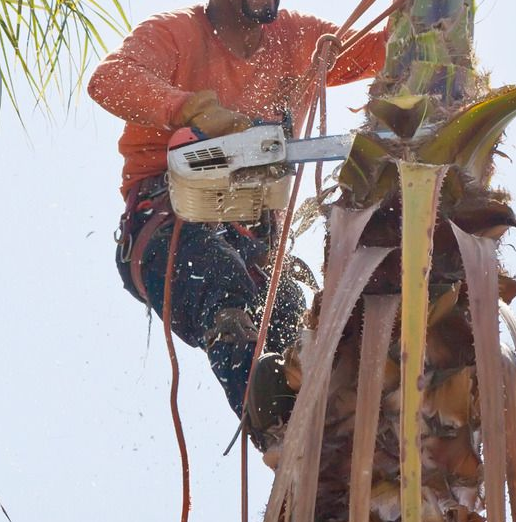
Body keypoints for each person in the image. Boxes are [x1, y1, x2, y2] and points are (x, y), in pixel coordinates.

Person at [87, 0, 387, 436]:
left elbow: (380, 50)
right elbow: (109, 80)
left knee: (291, 314)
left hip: (251, 241)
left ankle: (329, 438)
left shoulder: (297, 38)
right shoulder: (175, 33)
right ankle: (275, 424)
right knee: (221, 282)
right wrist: (189, 109)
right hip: (166, 228)